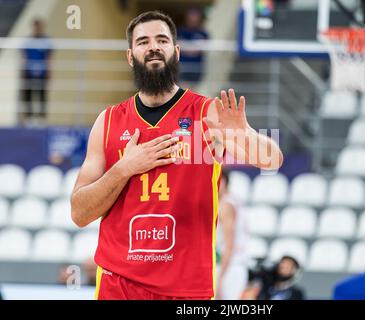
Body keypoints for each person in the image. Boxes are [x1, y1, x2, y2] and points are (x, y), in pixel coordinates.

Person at [70, 10, 283, 300]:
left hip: (186, 288)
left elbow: (272, 160)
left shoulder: (206, 113)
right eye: (143, 41)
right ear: (131, 56)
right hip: (118, 284)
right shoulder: (107, 122)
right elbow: (80, 213)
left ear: (176, 52)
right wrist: (124, 168)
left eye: (162, 40)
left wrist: (244, 133)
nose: (153, 46)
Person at [215, 169, 249, 300]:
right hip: (235, 262)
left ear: (223, 181)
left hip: (231, 265)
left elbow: (229, 245)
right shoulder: (234, 200)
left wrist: (220, 277)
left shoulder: (225, 205)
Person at [20, 18, 53, 125]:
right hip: (29, 72)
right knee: (28, 95)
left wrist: (49, 71)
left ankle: (42, 119)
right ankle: (28, 118)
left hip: (42, 73)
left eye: (39, 26)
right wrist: (23, 70)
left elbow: (49, 57)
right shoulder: (28, 41)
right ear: (33, 27)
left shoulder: (46, 41)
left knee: (42, 95)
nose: (37, 29)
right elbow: (24, 57)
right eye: (35, 26)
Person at [177, 8, 209, 85]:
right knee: (182, 89)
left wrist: (187, 48)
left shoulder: (203, 33)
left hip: (197, 66)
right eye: (191, 15)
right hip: (182, 66)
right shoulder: (180, 31)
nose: (193, 18)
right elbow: (178, 46)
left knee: (194, 91)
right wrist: (192, 48)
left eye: (195, 15)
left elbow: (200, 50)